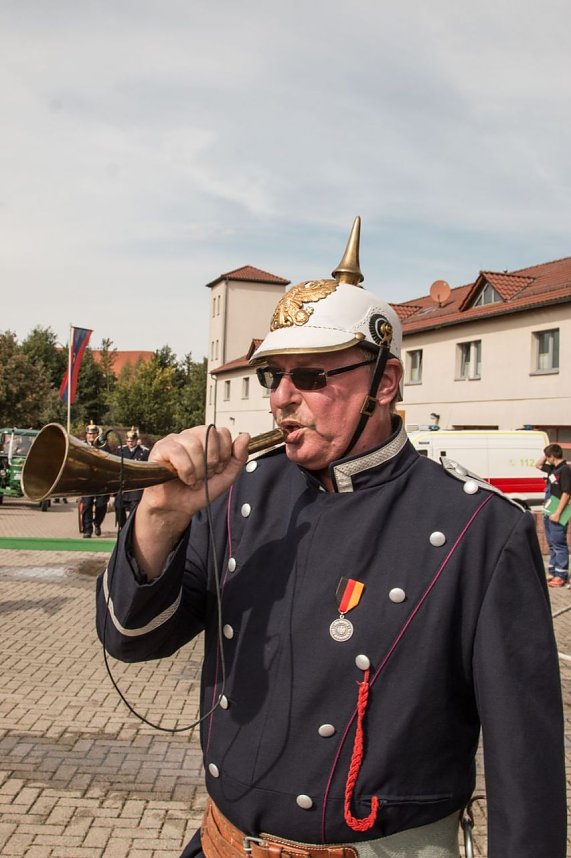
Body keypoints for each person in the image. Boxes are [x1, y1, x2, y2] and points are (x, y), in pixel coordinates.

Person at [96, 218, 566, 858]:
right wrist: (158, 515)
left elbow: (525, 771)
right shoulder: (238, 495)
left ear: (386, 382)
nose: (284, 398)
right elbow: (131, 640)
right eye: (275, 377)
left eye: (313, 376)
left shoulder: (480, 529)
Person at [536, 443, 571, 588]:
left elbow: (567, 492)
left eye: (548, 456)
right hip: (549, 509)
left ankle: (561, 575)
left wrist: (558, 513)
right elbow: (538, 465)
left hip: (558, 510)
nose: (546, 459)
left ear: (552, 456)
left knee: (559, 544)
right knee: (552, 543)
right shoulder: (553, 469)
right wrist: (546, 453)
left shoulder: (565, 470)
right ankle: (553, 571)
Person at [114, 427, 150, 528]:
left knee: (134, 509)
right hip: (124, 486)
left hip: (136, 486)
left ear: (136, 441)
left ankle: (129, 528)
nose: (130, 443)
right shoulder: (120, 450)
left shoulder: (143, 452)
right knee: (118, 506)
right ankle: (124, 526)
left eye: (132, 441)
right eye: (128, 441)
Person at [80, 421, 110, 538]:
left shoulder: (104, 446)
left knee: (101, 505)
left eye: (93, 434)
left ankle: (97, 523)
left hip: (101, 480)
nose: (91, 436)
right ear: (86, 435)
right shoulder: (80, 445)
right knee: (87, 505)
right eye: (89, 434)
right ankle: (88, 530)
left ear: (97, 434)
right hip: (87, 480)